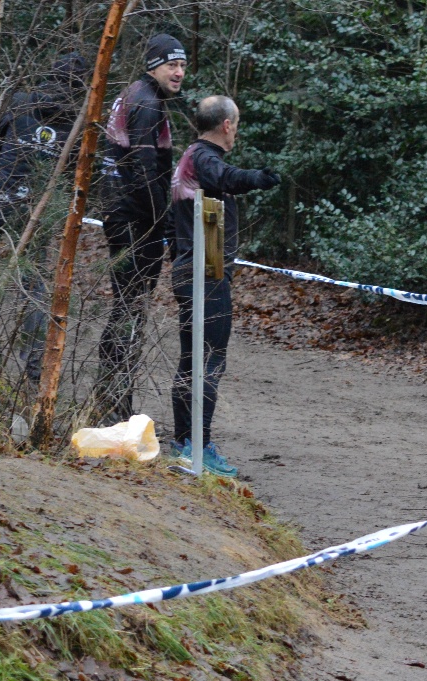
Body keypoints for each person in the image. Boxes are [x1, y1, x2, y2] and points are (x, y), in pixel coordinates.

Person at [164, 95, 279, 477]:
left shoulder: (190, 159)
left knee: (194, 359)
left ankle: (187, 441)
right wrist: (259, 179)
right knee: (208, 360)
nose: (238, 130)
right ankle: (197, 445)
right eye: (238, 122)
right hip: (204, 274)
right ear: (227, 125)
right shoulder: (202, 157)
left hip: (196, 268)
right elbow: (224, 177)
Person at [92, 33, 187, 424]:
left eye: (183, 65)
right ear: (153, 66)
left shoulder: (138, 95)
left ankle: (114, 403)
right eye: (171, 65)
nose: (179, 72)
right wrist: (163, 224)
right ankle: (114, 407)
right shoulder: (146, 103)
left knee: (127, 306)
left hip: (125, 215)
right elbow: (144, 173)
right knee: (129, 308)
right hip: (133, 219)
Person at [0, 52, 90, 384]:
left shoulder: (19, 101)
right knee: (31, 284)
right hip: (38, 208)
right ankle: (33, 362)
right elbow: (76, 173)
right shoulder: (78, 121)